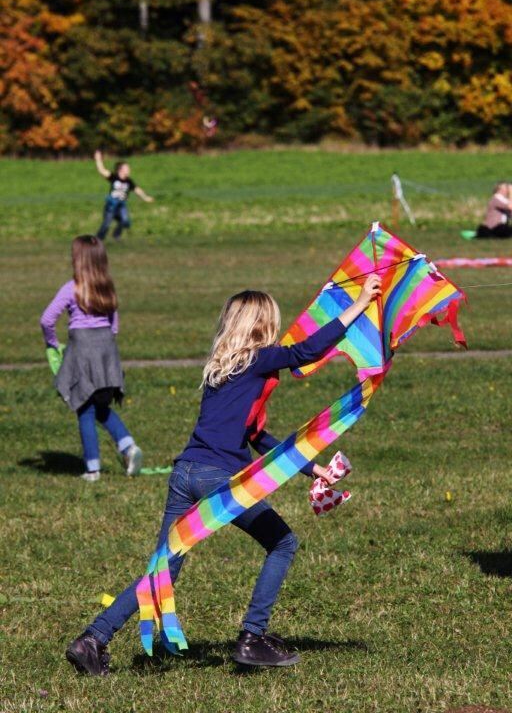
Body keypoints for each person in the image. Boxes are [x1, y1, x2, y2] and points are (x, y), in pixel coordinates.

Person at [65, 275, 381, 674]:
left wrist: (312, 468)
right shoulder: (259, 357)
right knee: (283, 543)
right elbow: (307, 351)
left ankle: (92, 639)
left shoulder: (223, 369)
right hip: (217, 479)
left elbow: (257, 437)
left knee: (165, 568)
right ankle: (252, 636)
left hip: (184, 473)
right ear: (262, 326)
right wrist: (359, 304)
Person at [40, 235, 143, 481]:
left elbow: (46, 320)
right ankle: (128, 446)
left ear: (78, 260)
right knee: (100, 405)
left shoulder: (72, 288)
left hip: (82, 350)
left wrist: (52, 343)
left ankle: (93, 469)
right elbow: (114, 326)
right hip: (106, 351)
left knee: (84, 407)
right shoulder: (107, 287)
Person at [94, 150, 154, 241]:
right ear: (120, 170)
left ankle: (116, 235)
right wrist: (98, 159)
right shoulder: (114, 177)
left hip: (121, 205)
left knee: (125, 221)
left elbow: (137, 189)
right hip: (111, 205)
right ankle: (98, 240)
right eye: (127, 168)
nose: (129, 170)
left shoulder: (129, 181)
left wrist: (145, 197)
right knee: (106, 224)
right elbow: (102, 170)